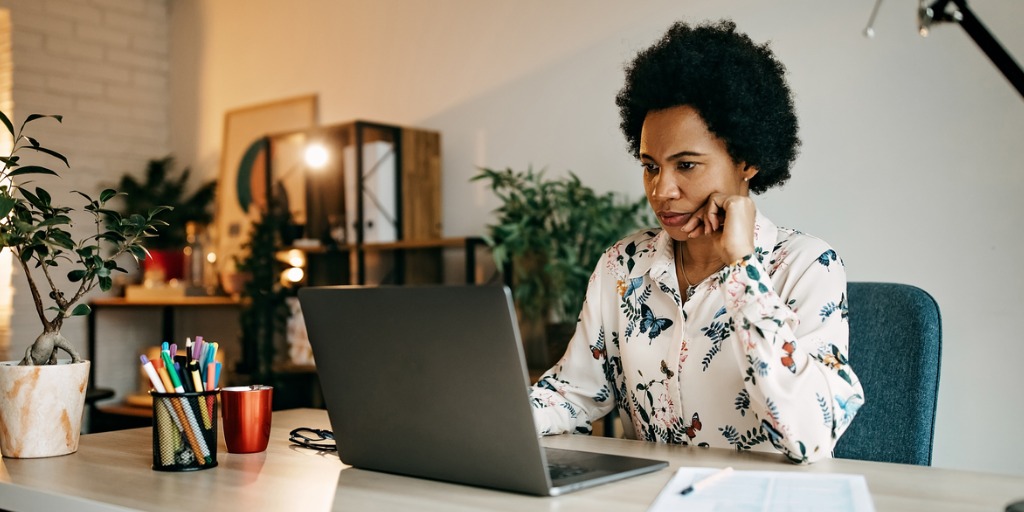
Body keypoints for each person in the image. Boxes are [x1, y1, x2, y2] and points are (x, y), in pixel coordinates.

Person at [529, 19, 864, 464]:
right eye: (650, 166)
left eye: (686, 165)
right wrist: (485, 413)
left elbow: (810, 435)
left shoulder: (807, 266)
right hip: (648, 498)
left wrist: (743, 267)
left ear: (747, 161)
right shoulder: (623, 265)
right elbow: (574, 392)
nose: (660, 190)